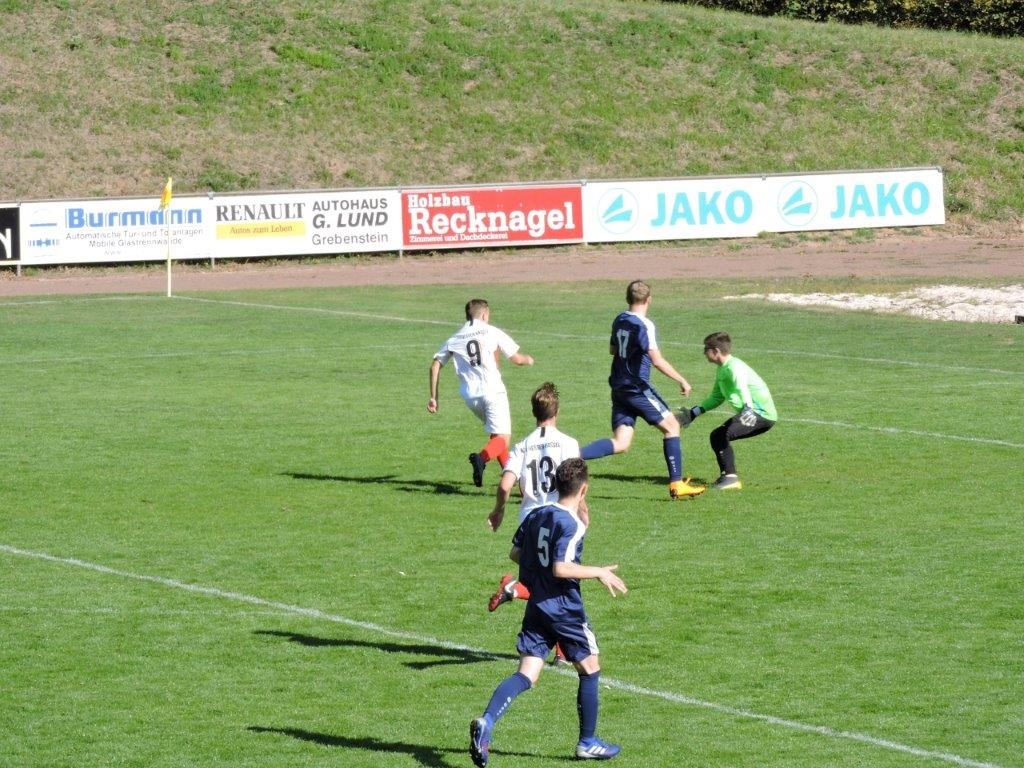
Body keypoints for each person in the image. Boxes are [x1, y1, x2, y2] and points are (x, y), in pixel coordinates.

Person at [469, 458, 627, 766]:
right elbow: (561, 567)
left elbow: (516, 553)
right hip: (564, 608)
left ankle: (487, 721)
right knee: (590, 667)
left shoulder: (537, 514)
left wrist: (536, 574)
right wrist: (598, 571)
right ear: (584, 489)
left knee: (527, 673)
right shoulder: (570, 525)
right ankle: (587, 742)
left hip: (537, 605)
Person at [580, 280, 705, 499]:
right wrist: (681, 380)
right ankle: (676, 483)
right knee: (672, 426)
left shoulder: (619, 319)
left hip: (618, 387)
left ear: (627, 298)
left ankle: (567, 455)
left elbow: (613, 350)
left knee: (621, 443)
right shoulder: (645, 325)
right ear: (649, 300)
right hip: (636, 387)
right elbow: (657, 360)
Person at [487, 382, 583, 616]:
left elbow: (505, 485)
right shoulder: (568, 443)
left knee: (538, 569)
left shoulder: (522, 446)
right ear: (557, 411)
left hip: (530, 521)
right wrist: (583, 511)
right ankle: (515, 590)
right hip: (559, 518)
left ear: (533, 412)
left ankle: (514, 589)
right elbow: (574, 483)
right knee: (562, 578)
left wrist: (499, 510)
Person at [428, 299, 534, 487]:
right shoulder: (491, 331)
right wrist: (528, 360)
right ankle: (481, 458)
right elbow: (516, 359)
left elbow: (435, 366)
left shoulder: (455, 338)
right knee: (503, 438)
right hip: (493, 391)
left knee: (497, 434)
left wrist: (434, 398)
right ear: (484, 315)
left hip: (470, 397)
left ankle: (513, 479)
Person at [679, 331, 777, 491]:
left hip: (758, 414)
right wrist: (694, 413)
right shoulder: (722, 368)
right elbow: (716, 397)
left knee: (720, 435)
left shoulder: (734, 367)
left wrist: (748, 408)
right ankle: (728, 477)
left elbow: (741, 387)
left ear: (715, 351)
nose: (704, 352)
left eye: (706, 349)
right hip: (752, 413)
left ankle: (731, 479)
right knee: (718, 435)